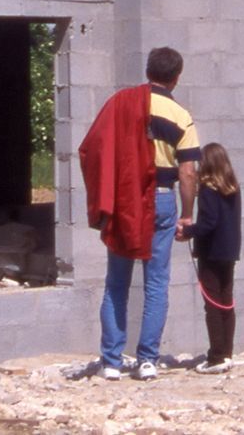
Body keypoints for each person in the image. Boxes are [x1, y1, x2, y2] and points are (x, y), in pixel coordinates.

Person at [81, 46, 200, 380]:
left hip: (124, 200)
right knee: (157, 282)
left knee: (116, 282)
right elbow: (188, 172)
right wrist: (187, 215)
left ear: (148, 71)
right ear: (176, 77)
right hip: (162, 200)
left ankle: (111, 362)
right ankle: (148, 359)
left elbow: (92, 148)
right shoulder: (180, 116)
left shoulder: (120, 103)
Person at [184, 142, 242, 373]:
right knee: (226, 302)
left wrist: (186, 231)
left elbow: (208, 224)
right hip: (229, 252)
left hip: (211, 253)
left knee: (213, 304)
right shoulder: (233, 187)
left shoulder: (208, 190)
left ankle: (216, 357)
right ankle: (226, 352)